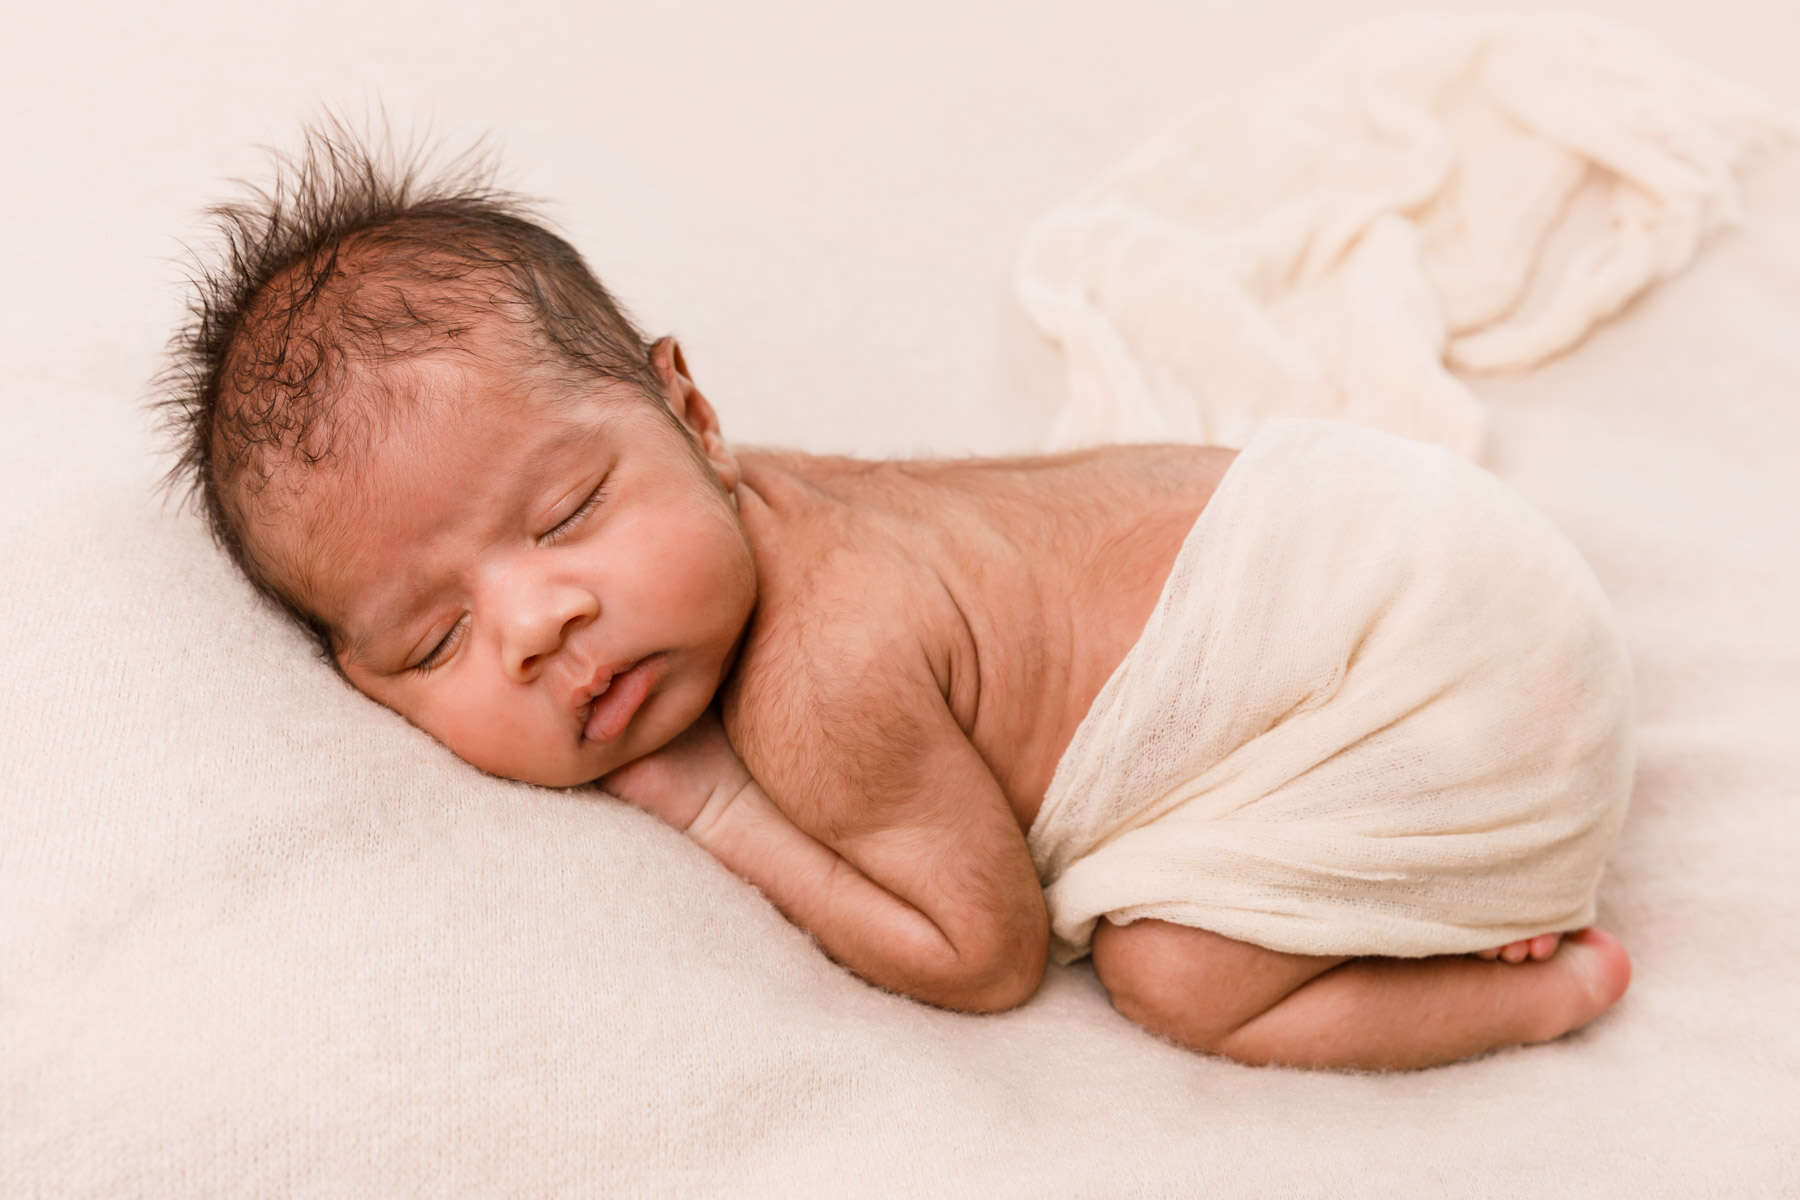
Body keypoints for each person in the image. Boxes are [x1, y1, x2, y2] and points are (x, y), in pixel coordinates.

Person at [158, 127, 1633, 1071]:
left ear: (693, 412)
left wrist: (713, 805)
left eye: (567, 514)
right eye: (435, 637)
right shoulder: (752, 501)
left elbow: (982, 958)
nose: (538, 622)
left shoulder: (821, 677)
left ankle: (1537, 990)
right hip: (1416, 541)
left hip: (1447, 683)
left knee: (1173, 972)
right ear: (360, 687)